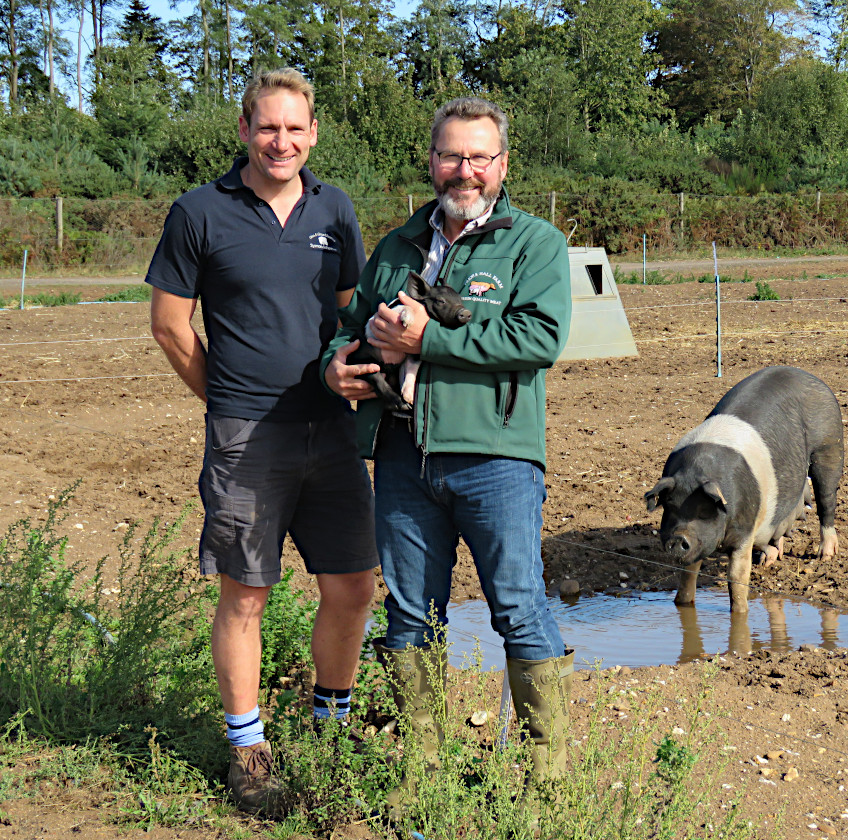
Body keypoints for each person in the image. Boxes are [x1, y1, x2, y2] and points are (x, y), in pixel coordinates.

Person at [320, 96, 573, 816]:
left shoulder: (534, 245)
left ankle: (547, 780)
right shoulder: (397, 245)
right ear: (432, 161)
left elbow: (537, 340)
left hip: (497, 459)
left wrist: (427, 340)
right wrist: (335, 367)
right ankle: (420, 772)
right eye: (452, 156)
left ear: (503, 165)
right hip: (403, 456)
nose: (465, 170)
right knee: (409, 617)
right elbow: (345, 330)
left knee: (519, 609)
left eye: (480, 157)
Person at [147, 68, 378, 818]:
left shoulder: (334, 208)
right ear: (244, 129)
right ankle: (249, 752)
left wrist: (347, 370)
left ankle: (330, 727)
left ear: (313, 134)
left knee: (352, 586)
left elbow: (349, 313)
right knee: (246, 593)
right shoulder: (199, 212)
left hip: (332, 430)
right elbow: (170, 326)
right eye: (267, 127)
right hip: (248, 436)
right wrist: (227, 402)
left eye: (295, 129)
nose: (282, 141)